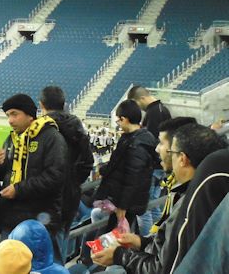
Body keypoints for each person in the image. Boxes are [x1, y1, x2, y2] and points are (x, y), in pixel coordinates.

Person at [91, 123, 228, 274]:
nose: (157, 149)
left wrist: (120, 256)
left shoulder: (191, 205)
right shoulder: (191, 195)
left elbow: (163, 268)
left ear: (182, 159)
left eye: (163, 145)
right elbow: (168, 249)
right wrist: (141, 242)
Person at [0, 93, 68, 261]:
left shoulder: (51, 137)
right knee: (8, 269)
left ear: (29, 114)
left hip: (40, 222)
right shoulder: (12, 139)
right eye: (8, 116)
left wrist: (18, 190)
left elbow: (55, 177)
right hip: (11, 220)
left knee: (41, 268)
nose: (10, 120)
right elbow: (7, 173)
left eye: (14, 114)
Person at [39, 86, 94, 261]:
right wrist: (71, 181)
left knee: (41, 247)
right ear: (64, 104)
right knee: (60, 242)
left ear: (41, 104)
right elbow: (87, 163)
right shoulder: (77, 126)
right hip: (69, 197)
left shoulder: (40, 128)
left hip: (45, 199)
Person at [93, 100, 156, 234]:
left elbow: (132, 179)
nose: (119, 125)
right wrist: (105, 169)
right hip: (122, 199)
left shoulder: (137, 143)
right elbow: (120, 164)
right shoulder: (132, 138)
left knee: (113, 238)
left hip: (126, 203)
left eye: (119, 121)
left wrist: (123, 206)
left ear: (125, 119)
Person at [128, 85, 171, 234]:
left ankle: (147, 244)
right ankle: (157, 239)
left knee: (143, 208)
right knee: (153, 206)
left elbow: (151, 142)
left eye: (137, 105)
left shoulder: (155, 113)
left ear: (142, 98)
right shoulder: (159, 110)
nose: (138, 109)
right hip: (158, 167)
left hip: (153, 167)